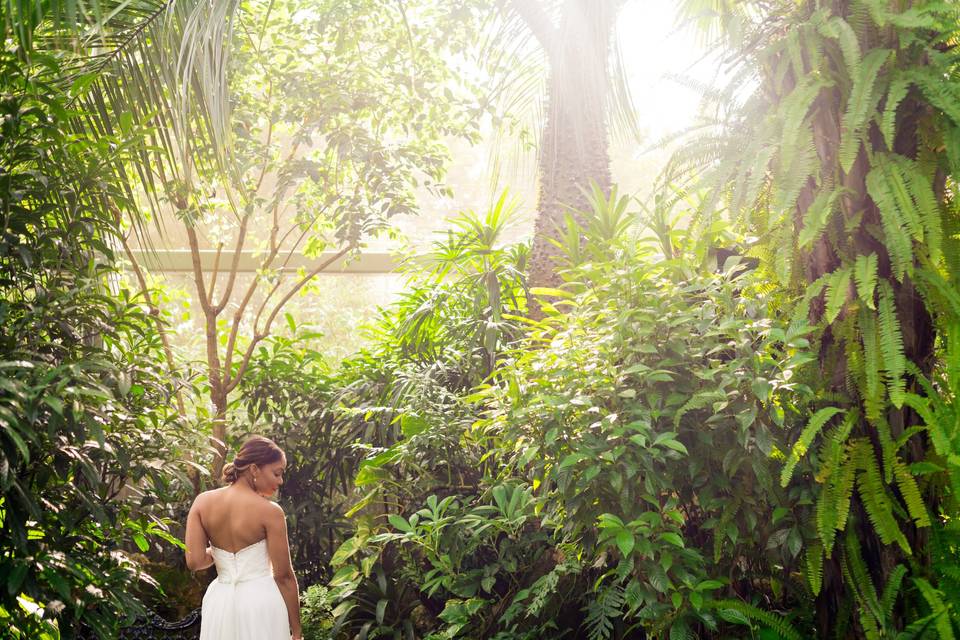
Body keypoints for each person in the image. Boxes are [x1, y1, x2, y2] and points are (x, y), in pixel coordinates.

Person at [184, 436, 302, 640]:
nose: (280, 481)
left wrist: (219, 554)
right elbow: (283, 577)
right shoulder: (270, 512)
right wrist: (297, 632)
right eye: (277, 473)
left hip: (219, 604)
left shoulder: (202, 503)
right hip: (261, 604)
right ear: (254, 469)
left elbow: (194, 562)